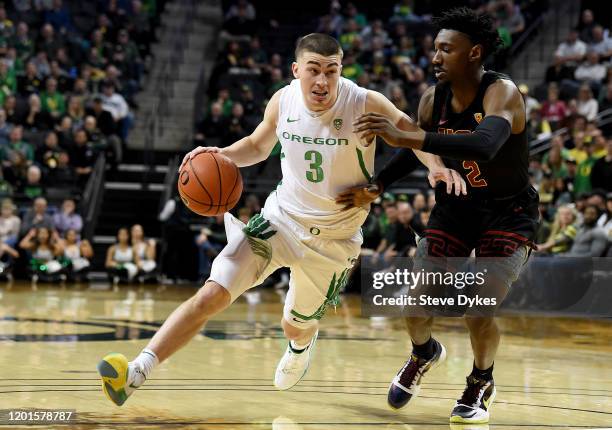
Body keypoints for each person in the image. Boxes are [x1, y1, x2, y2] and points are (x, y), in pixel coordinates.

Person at [97, 33, 466, 406]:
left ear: (341, 71)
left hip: (332, 242)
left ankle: (299, 345)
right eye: (314, 71)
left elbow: (413, 134)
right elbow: (258, 146)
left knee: (295, 324)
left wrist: (436, 167)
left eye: (331, 71)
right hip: (279, 220)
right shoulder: (284, 99)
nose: (322, 81)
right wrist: (218, 154)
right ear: (296, 70)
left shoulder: (363, 102)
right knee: (213, 292)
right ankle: (137, 371)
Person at [342, 8, 539, 424]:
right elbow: (412, 152)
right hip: (457, 207)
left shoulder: (502, 93)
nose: (435, 56)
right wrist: (379, 185)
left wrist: (410, 134)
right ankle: (423, 352)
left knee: (479, 307)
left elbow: (485, 144)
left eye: (446, 49)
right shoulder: (434, 98)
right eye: (434, 48)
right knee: (416, 302)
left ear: (474, 52)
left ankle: (481, 380)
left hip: (508, 211)